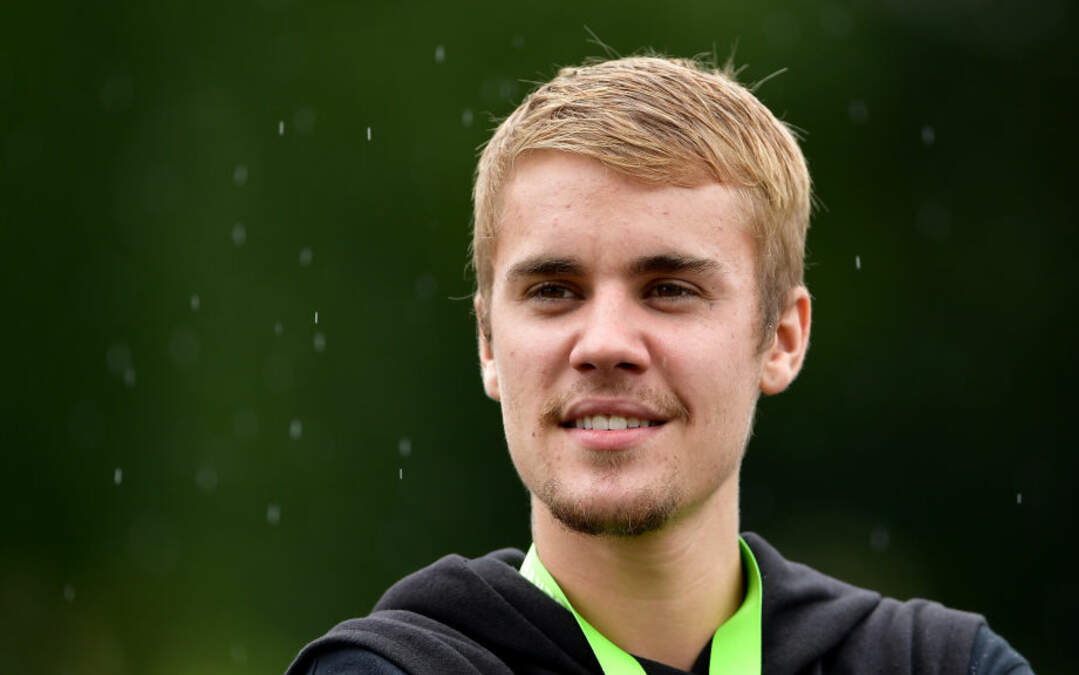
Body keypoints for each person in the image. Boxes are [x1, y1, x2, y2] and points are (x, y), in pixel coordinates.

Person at [286, 55, 1033, 675]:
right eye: (553, 291)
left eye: (670, 289)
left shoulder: (942, 665)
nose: (604, 342)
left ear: (781, 338)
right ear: (488, 342)